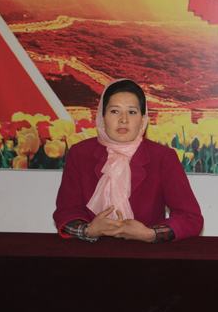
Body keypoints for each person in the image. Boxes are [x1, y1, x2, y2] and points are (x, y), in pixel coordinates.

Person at [53, 79, 203, 243]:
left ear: (143, 119)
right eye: (114, 111)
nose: (123, 120)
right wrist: (88, 230)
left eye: (132, 112)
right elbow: (65, 212)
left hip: (146, 253)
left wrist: (150, 234)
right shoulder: (80, 154)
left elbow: (190, 218)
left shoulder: (162, 157)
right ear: (102, 116)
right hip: (91, 252)